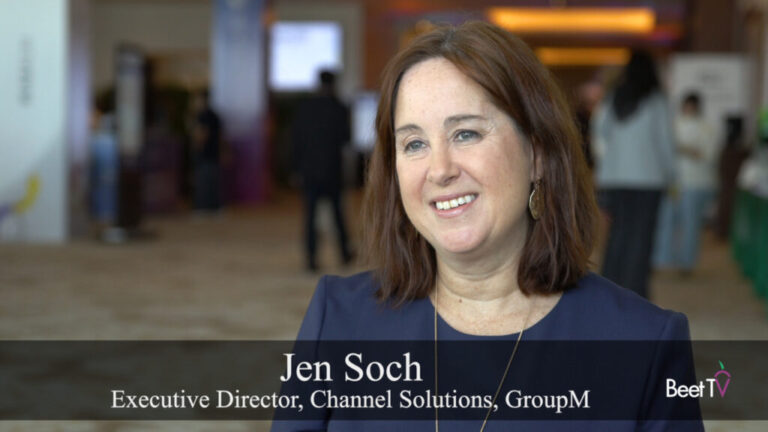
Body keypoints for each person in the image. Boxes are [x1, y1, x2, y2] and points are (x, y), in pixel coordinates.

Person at [273, 22, 701, 431]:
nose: (439, 170)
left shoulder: (645, 345)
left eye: (466, 134)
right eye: (414, 143)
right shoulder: (339, 320)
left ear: (537, 154)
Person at [591, 50, 676, 299]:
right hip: (649, 179)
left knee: (617, 235)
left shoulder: (614, 98)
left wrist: (609, 164)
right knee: (641, 236)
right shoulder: (656, 101)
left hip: (616, 179)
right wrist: (672, 175)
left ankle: (610, 289)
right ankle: (636, 290)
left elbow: (600, 132)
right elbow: (665, 142)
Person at [292, 70, 353, 272]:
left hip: (310, 171)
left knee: (310, 216)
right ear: (334, 84)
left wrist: (296, 168)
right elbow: (346, 139)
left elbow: (297, 140)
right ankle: (344, 253)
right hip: (332, 170)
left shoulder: (306, 108)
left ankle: (311, 259)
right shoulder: (339, 108)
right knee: (337, 214)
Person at [653, 93, 718, 274]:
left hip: (696, 183)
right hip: (673, 183)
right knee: (666, 222)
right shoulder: (673, 125)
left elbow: (707, 155)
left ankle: (686, 263)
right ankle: (663, 259)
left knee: (690, 224)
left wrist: (683, 149)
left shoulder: (707, 128)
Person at [190, 89, 222, 212]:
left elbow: (201, 135)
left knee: (204, 183)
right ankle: (214, 207)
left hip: (205, 156)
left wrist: (196, 147)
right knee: (213, 184)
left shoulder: (202, 116)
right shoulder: (214, 115)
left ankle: (203, 208)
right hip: (214, 155)